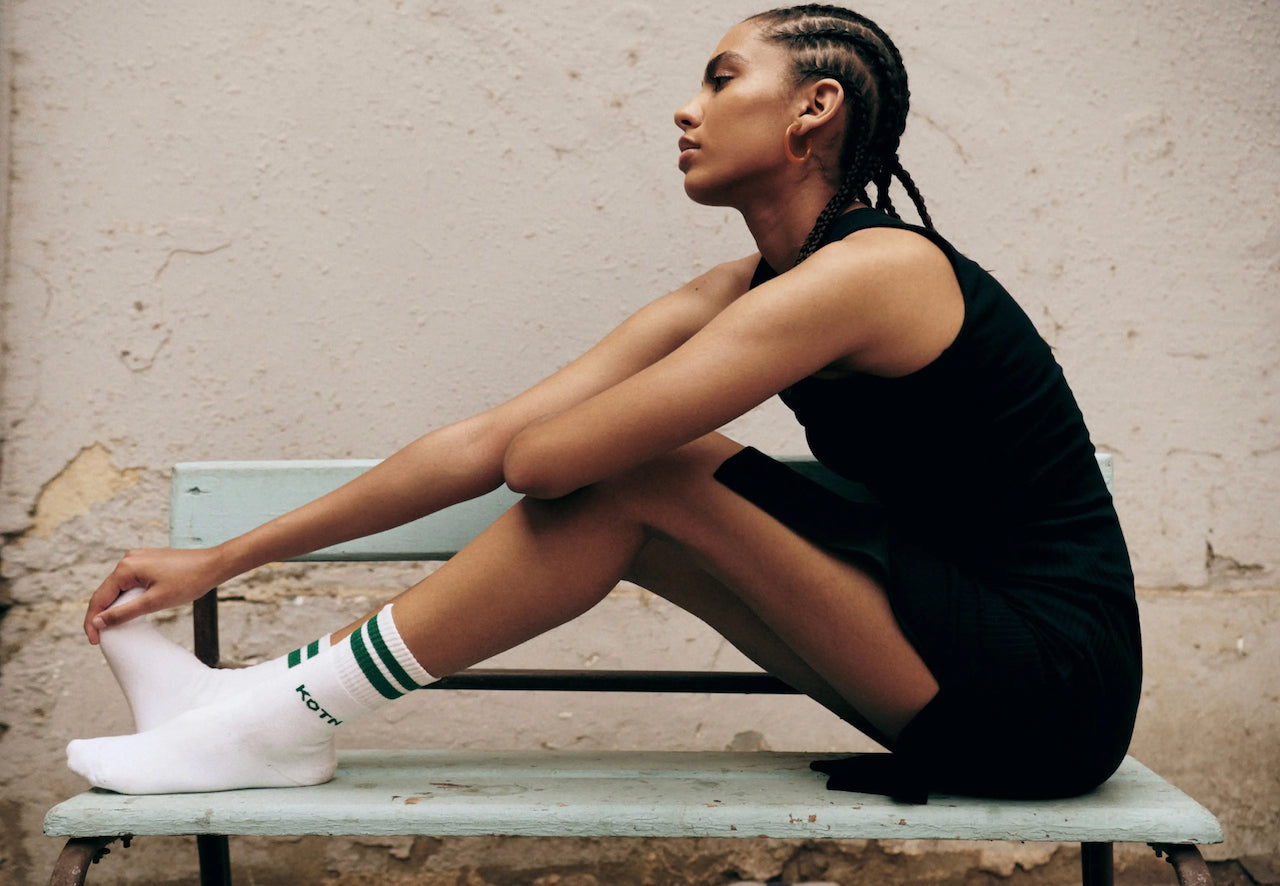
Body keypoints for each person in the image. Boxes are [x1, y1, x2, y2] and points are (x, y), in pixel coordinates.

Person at [68, 4, 1141, 800]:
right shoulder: (748, 288)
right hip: (945, 647)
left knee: (648, 467)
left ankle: (273, 716)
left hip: (1044, 683)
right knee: (631, 489)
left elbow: (541, 463)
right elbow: (489, 440)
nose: (685, 106)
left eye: (721, 80)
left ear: (813, 108)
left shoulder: (876, 271)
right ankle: (262, 708)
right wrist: (226, 558)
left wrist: (564, 445)